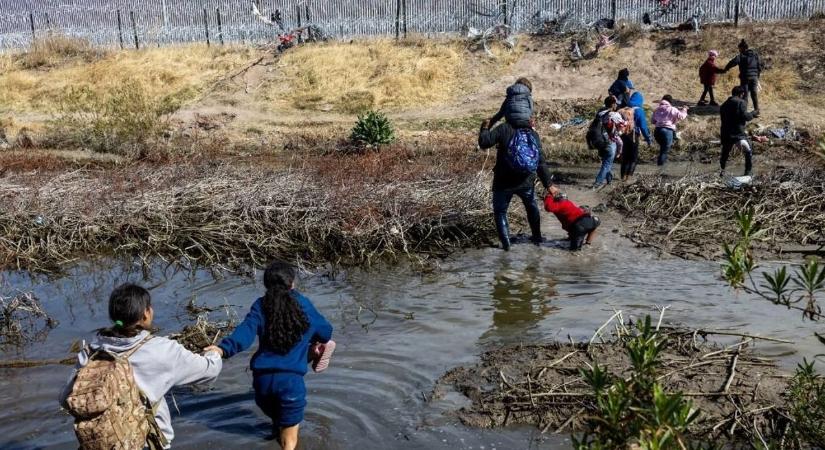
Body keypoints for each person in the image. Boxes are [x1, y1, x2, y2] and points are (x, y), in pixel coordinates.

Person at [59, 284, 222, 449]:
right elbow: (210, 370)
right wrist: (215, 353)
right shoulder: (163, 350)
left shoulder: (91, 351)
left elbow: (66, 399)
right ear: (146, 314)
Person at [205, 261, 333, 450]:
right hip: (290, 384)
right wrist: (311, 338)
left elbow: (245, 334)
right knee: (289, 442)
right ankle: (313, 353)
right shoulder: (303, 304)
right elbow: (326, 333)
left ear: (266, 285)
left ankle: (276, 429)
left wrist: (222, 349)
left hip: (262, 383)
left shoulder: (260, 306)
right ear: (292, 283)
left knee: (277, 425)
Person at [478, 118, 553, 251]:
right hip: (525, 181)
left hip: (503, 181)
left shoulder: (503, 128)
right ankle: (537, 238)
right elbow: (540, 162)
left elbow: (484, 143)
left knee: (500, 212)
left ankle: (506, 246)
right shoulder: (533, 134)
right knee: (531, 207)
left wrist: (484, 128)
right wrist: (549, 184)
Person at [543, 185, 601, 251]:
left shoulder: (561, 204)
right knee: (593, 225)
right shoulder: (568, 203)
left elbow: (548, 207)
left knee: (574, 251)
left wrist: (548, 196)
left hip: (579, 226)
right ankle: (588, 243)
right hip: (589, 221)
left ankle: (576, 245)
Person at [719, 85, 759, 176]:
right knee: (748, 150)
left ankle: (722, 171)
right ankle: (747, 172)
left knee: (725, 153)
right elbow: (745, 117)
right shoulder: (741, 102)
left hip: (725, 133)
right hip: (737, 133)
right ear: (741, 94)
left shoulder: (724, 105)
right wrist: (753, 113)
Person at [590, 96, 625, 188]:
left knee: (606, 161)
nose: (616, 105)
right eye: (616, 103)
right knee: (607, 163)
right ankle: (597, 182)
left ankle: (609, 180)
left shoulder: (600, 113)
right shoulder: (613, 114)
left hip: (599, 141)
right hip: (610, 142)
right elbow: (623, 124)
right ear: (613, 104)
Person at [723, 39, 763, 111]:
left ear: (743, 48)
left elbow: (733, 62)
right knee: (754, 94)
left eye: (739, 48)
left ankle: (743, 110)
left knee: (745, 94)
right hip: (754, 78)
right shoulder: (755, 55)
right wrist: (757, 77)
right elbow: (759, 67)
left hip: (745, 78)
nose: (739, 50)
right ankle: (757, 110)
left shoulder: (741, 56)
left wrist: (726, 68)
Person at [620, 92, 652, 180]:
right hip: (634, 136)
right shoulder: (639, 111)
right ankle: (628, 178)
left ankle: (622, 177)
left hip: (623, 135)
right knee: (633, 158)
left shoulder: (625, 108)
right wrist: (648, 139)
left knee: (625, 157)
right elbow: (643, 127)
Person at [651, 95, 688, 166]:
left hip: (657, 131)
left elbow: (653, 121)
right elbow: (682, 116)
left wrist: (660, 121)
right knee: (663, 151)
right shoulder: (672, 109)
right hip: (667, 131)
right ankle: (660, 171)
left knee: (663, 149)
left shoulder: (656, 109)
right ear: (670, 101)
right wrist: (684, 109)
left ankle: (661, 164)